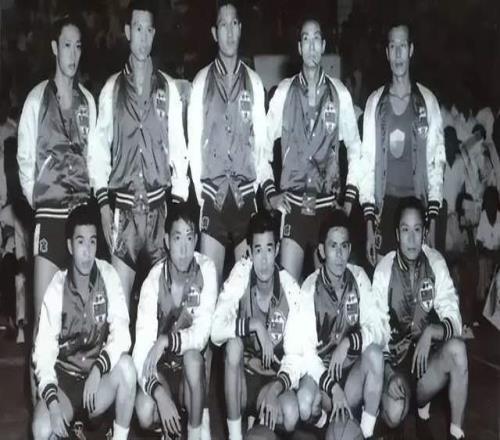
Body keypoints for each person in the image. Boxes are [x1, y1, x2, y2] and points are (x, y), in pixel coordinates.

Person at [90, 0, 189, 308]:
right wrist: (103, 206)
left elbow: (179, 147)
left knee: (166, 307)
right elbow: (98, 150)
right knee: (119, 308)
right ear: (127, 32)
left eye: (148, 30)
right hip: (124, 210)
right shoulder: (112, 89)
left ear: (154, 33)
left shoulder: (168, 88)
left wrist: (177, 206)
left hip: (160, 208)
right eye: (138, 29)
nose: (143, 38)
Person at [263, 18, 363, 280]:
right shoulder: (284, 92)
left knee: (327, 292)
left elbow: (356, 150)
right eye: (305, 39)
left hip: (327, 208)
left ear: (324, 45)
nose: (311, 46)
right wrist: (270, 193)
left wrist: (349, 201)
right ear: (299, 47)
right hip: (294, 207)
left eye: (316, 39)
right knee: (288, 290)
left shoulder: (339, 93)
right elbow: (261, 146)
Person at [17, 14, 97, 332]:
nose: (73, 55)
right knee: (44, 323)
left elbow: (94, 160)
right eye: (66, 46)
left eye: (78, 47)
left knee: (78, 322)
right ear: (54, 47)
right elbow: (25, 160)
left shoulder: (87, 102)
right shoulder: (36, 99)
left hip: (80, 219)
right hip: (49, 218)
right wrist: (39, 200)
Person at [31, 204, 135, 440]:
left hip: (96, 382)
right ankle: (71, 425)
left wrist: (99, 368)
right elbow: (43, 352)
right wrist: (53, 405)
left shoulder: (107, 275)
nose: (87, 251)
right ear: (70, 246)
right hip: (65, 381)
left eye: (92, 242)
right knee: (42, 430)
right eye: (80, 242)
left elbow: (122, 333)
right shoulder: (57, 287)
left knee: (127, 369)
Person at [372, 197, 468, 440]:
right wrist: (388, 374)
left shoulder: (435, 262)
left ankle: (455, 433)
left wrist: (432, 331)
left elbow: (454, 318)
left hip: (427, 367)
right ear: (397, 234)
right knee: (394, 414)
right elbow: (375, 331)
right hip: (397, 365)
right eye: (406, 230)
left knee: (458, 350)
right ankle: (393, 412)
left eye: (417, 230)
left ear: (425, 233)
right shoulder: (384, 271)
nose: (412, 239)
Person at [187, 1, 267, 287]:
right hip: (214, 197)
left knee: (247, 288)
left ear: (241, 28)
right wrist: (203, 197)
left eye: (234, 24)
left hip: (245, 197)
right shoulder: (201, 82)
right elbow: (193, 144)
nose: (230, 32)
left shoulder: (254, 82)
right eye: (223, 25)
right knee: (209, 287)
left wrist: (254, 188)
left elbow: (261, 143)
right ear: (214, 33)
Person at [294, 210, 387, 439]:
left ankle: (365, 433)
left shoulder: (359, 278)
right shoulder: (309, 288)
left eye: (344, 246)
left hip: (353, 373)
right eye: (333, 246)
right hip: (323, 377)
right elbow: (306, 354)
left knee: (375, 355)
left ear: (350, 249)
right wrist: (333, 388)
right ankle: (328, 424)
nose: (338, 254)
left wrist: (348, 342)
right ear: (322, 250)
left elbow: (379, 328)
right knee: (304, 404)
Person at [211, 211, 304, 440]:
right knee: (233, 346)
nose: (263, 260)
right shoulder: (240, 275)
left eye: (269, 250)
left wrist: (276, 388)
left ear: (278, 250)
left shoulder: (290, 290)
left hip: (272, 379)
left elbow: (296, 356)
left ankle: (260, 424)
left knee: (291, 414)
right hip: (243, 379)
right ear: (250, 252)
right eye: (258, 250)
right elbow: (216, 330)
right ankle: (235, 435)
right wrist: (254, 325)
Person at [360, 21, 445, 264]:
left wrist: (432, 221)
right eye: (392, 46)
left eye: (403, 46)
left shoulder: (427, 101)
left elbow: (436, 163)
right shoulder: (375, 103)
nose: (398, 54)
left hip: (417, 207)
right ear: (387, 53)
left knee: (418, 281)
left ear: (411, 50)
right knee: (384, 282)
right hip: (385, 208)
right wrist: (369, 225)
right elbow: (367, 164)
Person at [133, 203, 218, 440]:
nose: (183, 248)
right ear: (167, 241)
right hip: (162, 370)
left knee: (194, 358)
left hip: (190, 374)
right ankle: (169, 429)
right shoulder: (153, 281)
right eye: (177, 238)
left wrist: (167, 340)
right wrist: (159, 394)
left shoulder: (206, 269)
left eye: (189, 238)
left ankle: (195, 430)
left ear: (196, 240)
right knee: (145, 410)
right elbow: (141, 352)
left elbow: (202, 333)